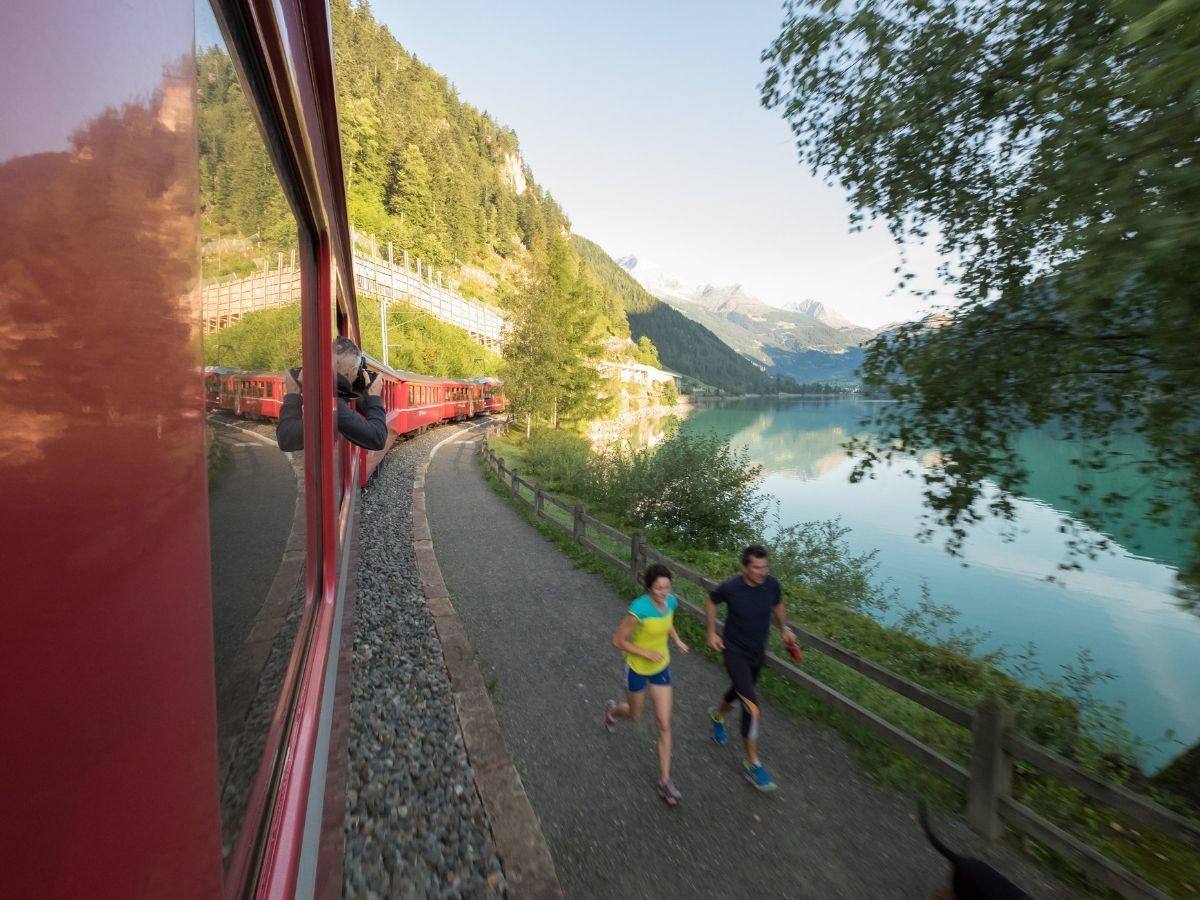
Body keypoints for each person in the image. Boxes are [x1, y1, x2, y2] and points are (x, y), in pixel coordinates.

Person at [706, 545, 798, 792]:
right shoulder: (731, 587)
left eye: (765, 567)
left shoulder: (771, 585)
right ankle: (751, 763)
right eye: (757, 567)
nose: (762, 572)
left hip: (757, 654)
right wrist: (711, 632)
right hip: (734, 652)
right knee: (752, 707)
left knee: (738, 692)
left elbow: (777, 605)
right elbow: (712, 601)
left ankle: (718, 715)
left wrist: (784, 628)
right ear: (744, 567)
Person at [604, 563, 690, 806]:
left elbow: (668, 621)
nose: (663, 592)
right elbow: (618, 641)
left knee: (664, 723)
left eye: (666, 587)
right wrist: (645, 653)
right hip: (637, 669)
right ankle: (612, 711)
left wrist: (677, 639)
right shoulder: (638, 610)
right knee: (635, 714)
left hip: (661, 668)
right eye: (658, 588)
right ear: (649, 587)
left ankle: (665, 780)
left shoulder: (671, 602)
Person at [276, 336, 387, 452]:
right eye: (357, 371)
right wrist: (374, 397)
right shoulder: (334, 405)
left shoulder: (327, 395)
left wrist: (293, 394)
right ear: (351, 371)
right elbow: (377, 437)